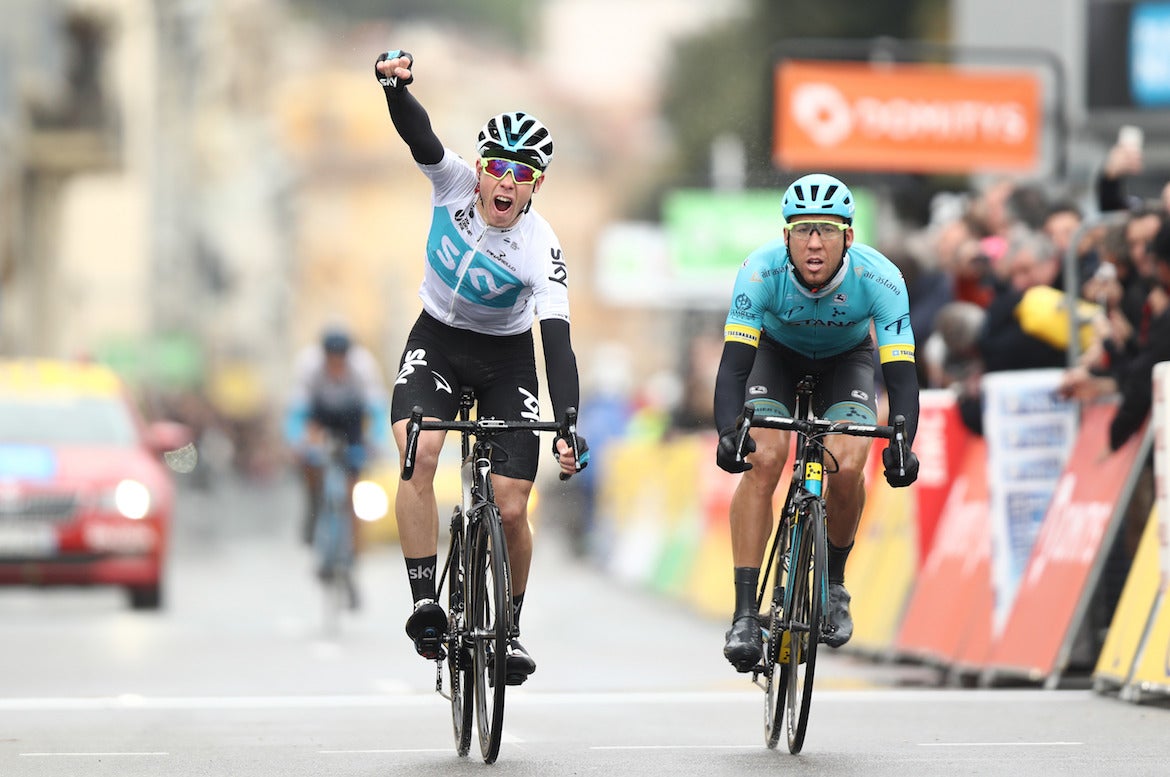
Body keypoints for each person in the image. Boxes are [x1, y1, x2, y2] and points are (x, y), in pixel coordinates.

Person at [374, 50, 588, 686]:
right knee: (420, 449)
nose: (505, 182)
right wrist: (394, 91)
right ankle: (425, 603)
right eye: (497, 166)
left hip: (505, 359)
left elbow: (557, 343)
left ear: (535, 185)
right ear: (481, 167)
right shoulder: (454, 185)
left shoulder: (541, 247)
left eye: (521, 173)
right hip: (437, 338)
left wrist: (568, 424)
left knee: (513, 505)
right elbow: (420, 136)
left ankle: (508, 629)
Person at [712, 173, 921, 672]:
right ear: (785, 236)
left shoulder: (881, 278)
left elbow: (901, 374)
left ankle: (835, 585)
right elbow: (734, 367)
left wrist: (903, 442)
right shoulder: (759, 272)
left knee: (847, 465)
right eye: (803, 230)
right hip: (774, 358)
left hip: (846, 362)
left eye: (826, 230)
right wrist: (727, 432)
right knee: (763, 459)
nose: (813, 243)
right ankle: (745, 613)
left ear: (848, 237)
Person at [285, 326, 390, 605]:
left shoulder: (363, 368)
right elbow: (297, 414)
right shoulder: (309, 367)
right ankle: (314, 503)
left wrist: (373, 444)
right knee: (310, 461)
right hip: (320, 417)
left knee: (352, 494)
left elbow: (376, 413)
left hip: (351, 421)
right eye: (331, 359)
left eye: (340, 359)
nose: (336, 365)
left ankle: (352, 559)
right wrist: (298, 444)